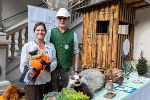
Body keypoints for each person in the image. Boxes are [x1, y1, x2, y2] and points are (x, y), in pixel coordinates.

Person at [19, 22, 57, 100]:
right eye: (38, 30)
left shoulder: (50, 46)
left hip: (46, 81)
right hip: (32, 82)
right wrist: (29, 73)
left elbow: (54, 60)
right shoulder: (28, 46)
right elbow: (23, 65)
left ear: (45, 32)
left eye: (42, 30)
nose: (40, 32)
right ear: (34, 32)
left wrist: (49, 67)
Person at [45, 8, 79, 92]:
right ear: (57, 19)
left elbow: (76, 52)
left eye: (65, 18)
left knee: (68, 91)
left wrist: (76, 71)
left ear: (68, 19)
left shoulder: (72, 34)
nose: (62, 20)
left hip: (67, 70)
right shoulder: (50, 33)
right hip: (53, 70)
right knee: (53, 92)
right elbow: (44, 49)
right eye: (60, 18)